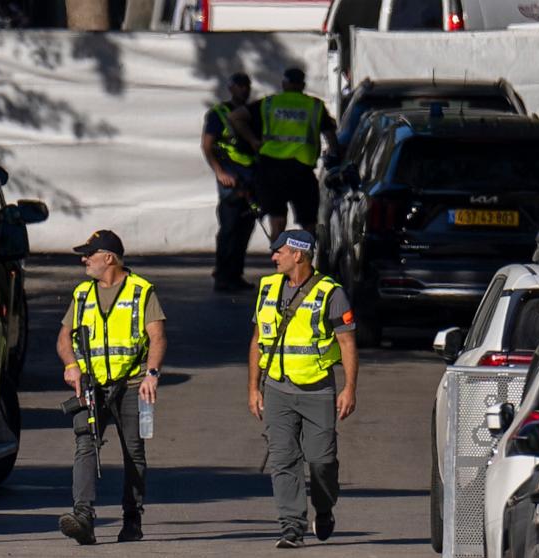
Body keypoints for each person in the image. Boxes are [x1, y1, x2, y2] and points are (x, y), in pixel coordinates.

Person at [247, 229, 358, 548]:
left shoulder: (330, 292)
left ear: (299, 254)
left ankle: (324, 509)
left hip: (317, 390)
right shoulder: (267, 288)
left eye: (279, 251)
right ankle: (291, 527)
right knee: (283, 460)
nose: (273, 257)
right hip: (277, 389)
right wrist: (253, 388)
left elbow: (347, 342)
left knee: (322, 461)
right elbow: (257, 340)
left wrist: (349, 388)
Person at [56, 230, 168, 545]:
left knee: (133, 451)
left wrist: (152, 374)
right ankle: (83, 516)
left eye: (89, 254)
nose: (83, 260)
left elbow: (157, 336)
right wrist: (71, 365)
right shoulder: (82, 294)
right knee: (85, 442)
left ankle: (132, 519)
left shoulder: (141, 291)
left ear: (109, 257)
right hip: (92, 385)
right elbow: (64, 338)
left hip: (132, 383)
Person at [230, 68, 338, 242]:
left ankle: (279, 262)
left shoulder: (270, 103)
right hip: (302, 170)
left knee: (277, 220)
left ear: (284, 84)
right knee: (308, 222)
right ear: (302, 85)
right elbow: (330, 136)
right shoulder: (314, 106)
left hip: (271, 169)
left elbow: (235, 117)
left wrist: (252, 141)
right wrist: (334, 155)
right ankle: (303, 263)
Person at [201, 72, 259, 292]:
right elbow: (207, 145)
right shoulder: (218, 114)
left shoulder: (251, 113)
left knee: (245, 228)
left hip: (251, 177)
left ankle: (235, 274)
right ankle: (223, 274)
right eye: (240, 86)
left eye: (247, 85)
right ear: (231, 88)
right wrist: (219, 172)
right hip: (230, 177)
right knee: (230, 227)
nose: (244, 90)